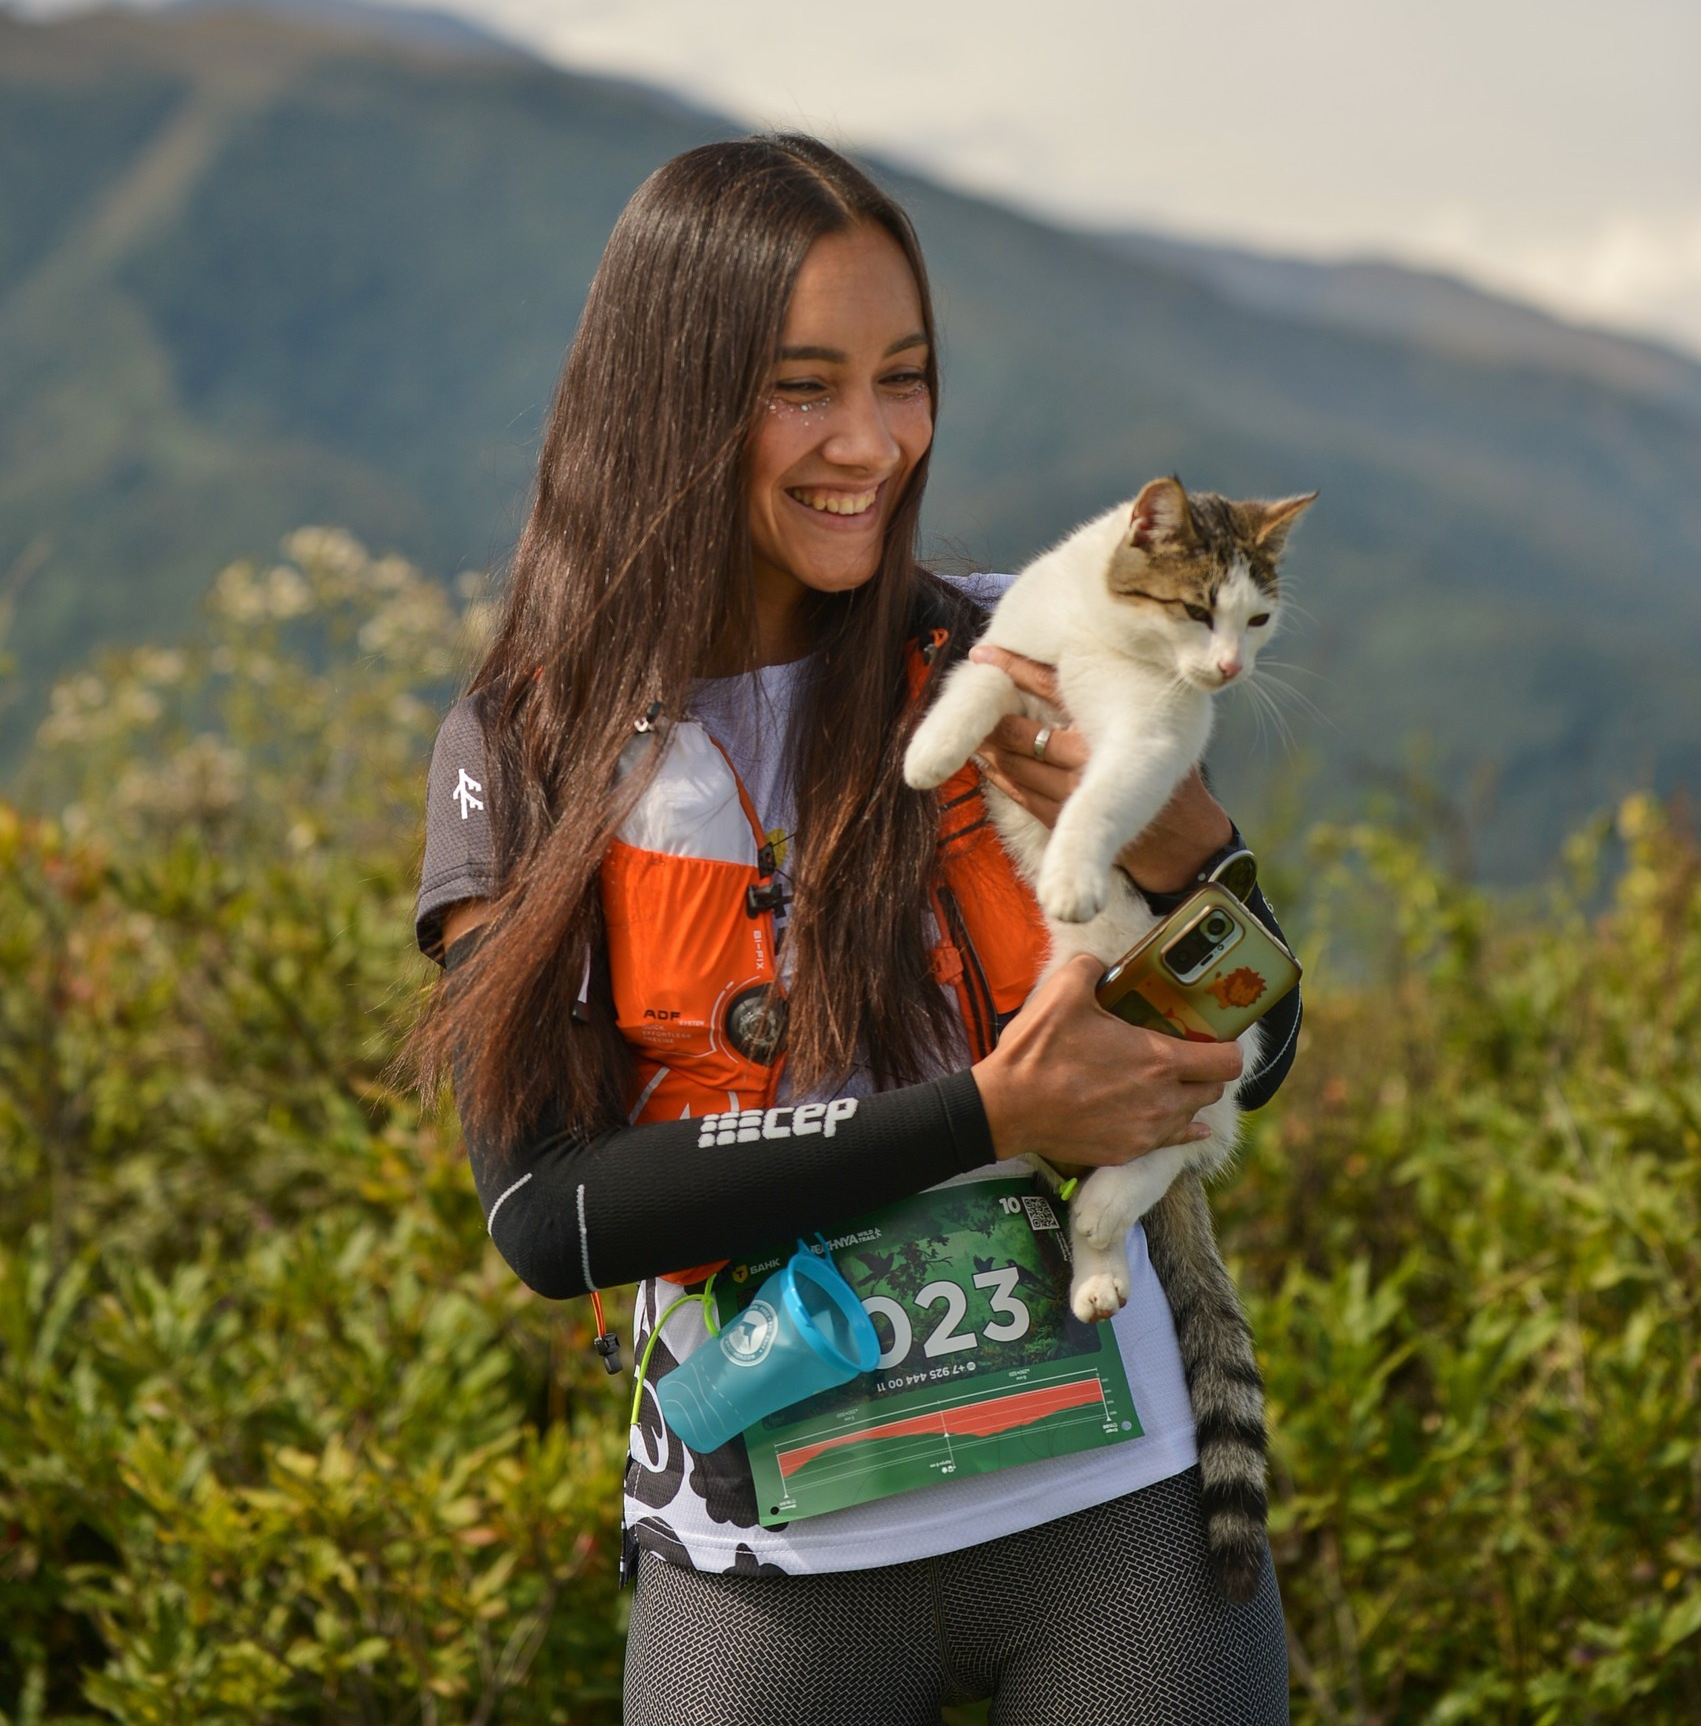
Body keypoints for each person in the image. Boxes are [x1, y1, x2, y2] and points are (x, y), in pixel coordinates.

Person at [415, 134, 1298, 1725]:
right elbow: (547, 1216)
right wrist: (987, 1117)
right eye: (799, 387)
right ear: (672, 396)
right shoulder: (527, 739)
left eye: (905, 379)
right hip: (762, 1566)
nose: (871, 442)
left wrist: (1205, 860)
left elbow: (1264, 1046)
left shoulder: (1021, 657)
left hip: (1118, 1520)